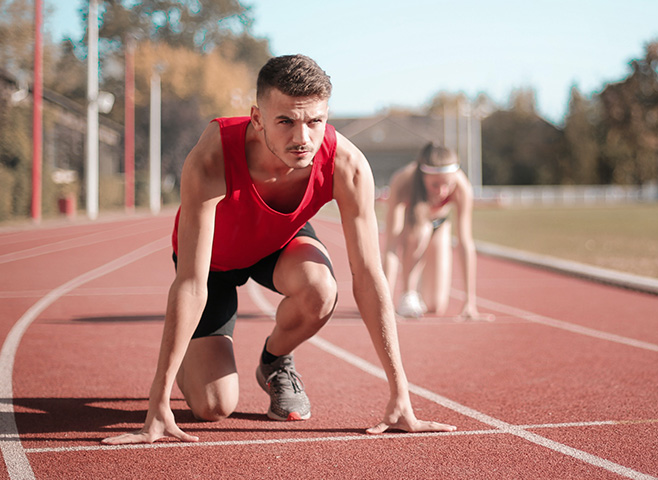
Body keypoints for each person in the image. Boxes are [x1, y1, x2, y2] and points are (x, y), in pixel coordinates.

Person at [102, 54, 455, 445]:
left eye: (314, 121)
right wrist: (158, 402)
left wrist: (400, 395)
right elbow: (190, 282)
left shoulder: (347, 165)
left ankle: (274, 362)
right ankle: (188, 354)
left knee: (322, 289)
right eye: (285, 121)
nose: (302, 138)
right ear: (257, 118)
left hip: (277, 243)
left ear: (326, 116)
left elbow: (369, 277)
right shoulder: (212, 156)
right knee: (214, 407)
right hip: (213, 262)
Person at [382, 143, 491, 321]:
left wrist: (469, 302)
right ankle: (408, 294)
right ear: (423, 178)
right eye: (435, 185)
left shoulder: (462, 186)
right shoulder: (403, 181)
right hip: (413, 227)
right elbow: (391, 247)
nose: (442, 192)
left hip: (440, 225)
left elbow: (465, 243)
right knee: (421, 232)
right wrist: (383, 303)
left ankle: (421, 292)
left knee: (435, 306)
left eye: (447, 185)